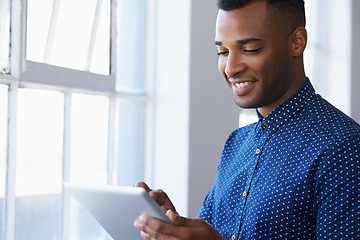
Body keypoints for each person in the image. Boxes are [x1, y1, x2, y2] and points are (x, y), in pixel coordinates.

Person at [134, 0, 360, 239]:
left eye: (250, 49)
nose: (230, 68)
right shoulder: (236, 144)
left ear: (297, 42)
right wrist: (173, 225)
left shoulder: (343, 147)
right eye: (222, 52)